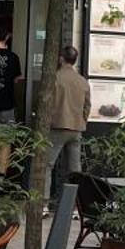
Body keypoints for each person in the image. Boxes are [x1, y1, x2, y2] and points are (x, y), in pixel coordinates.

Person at [42, 45, 90, 188]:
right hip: (76, 128)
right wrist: (82, 121)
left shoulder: (54, 78)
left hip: (57, 126)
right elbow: (87, 106)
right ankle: (75, 204)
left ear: (61, 59)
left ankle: (43, 203)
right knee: (75, 169)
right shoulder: (82, 81)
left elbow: (46, 102)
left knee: (47, 165)